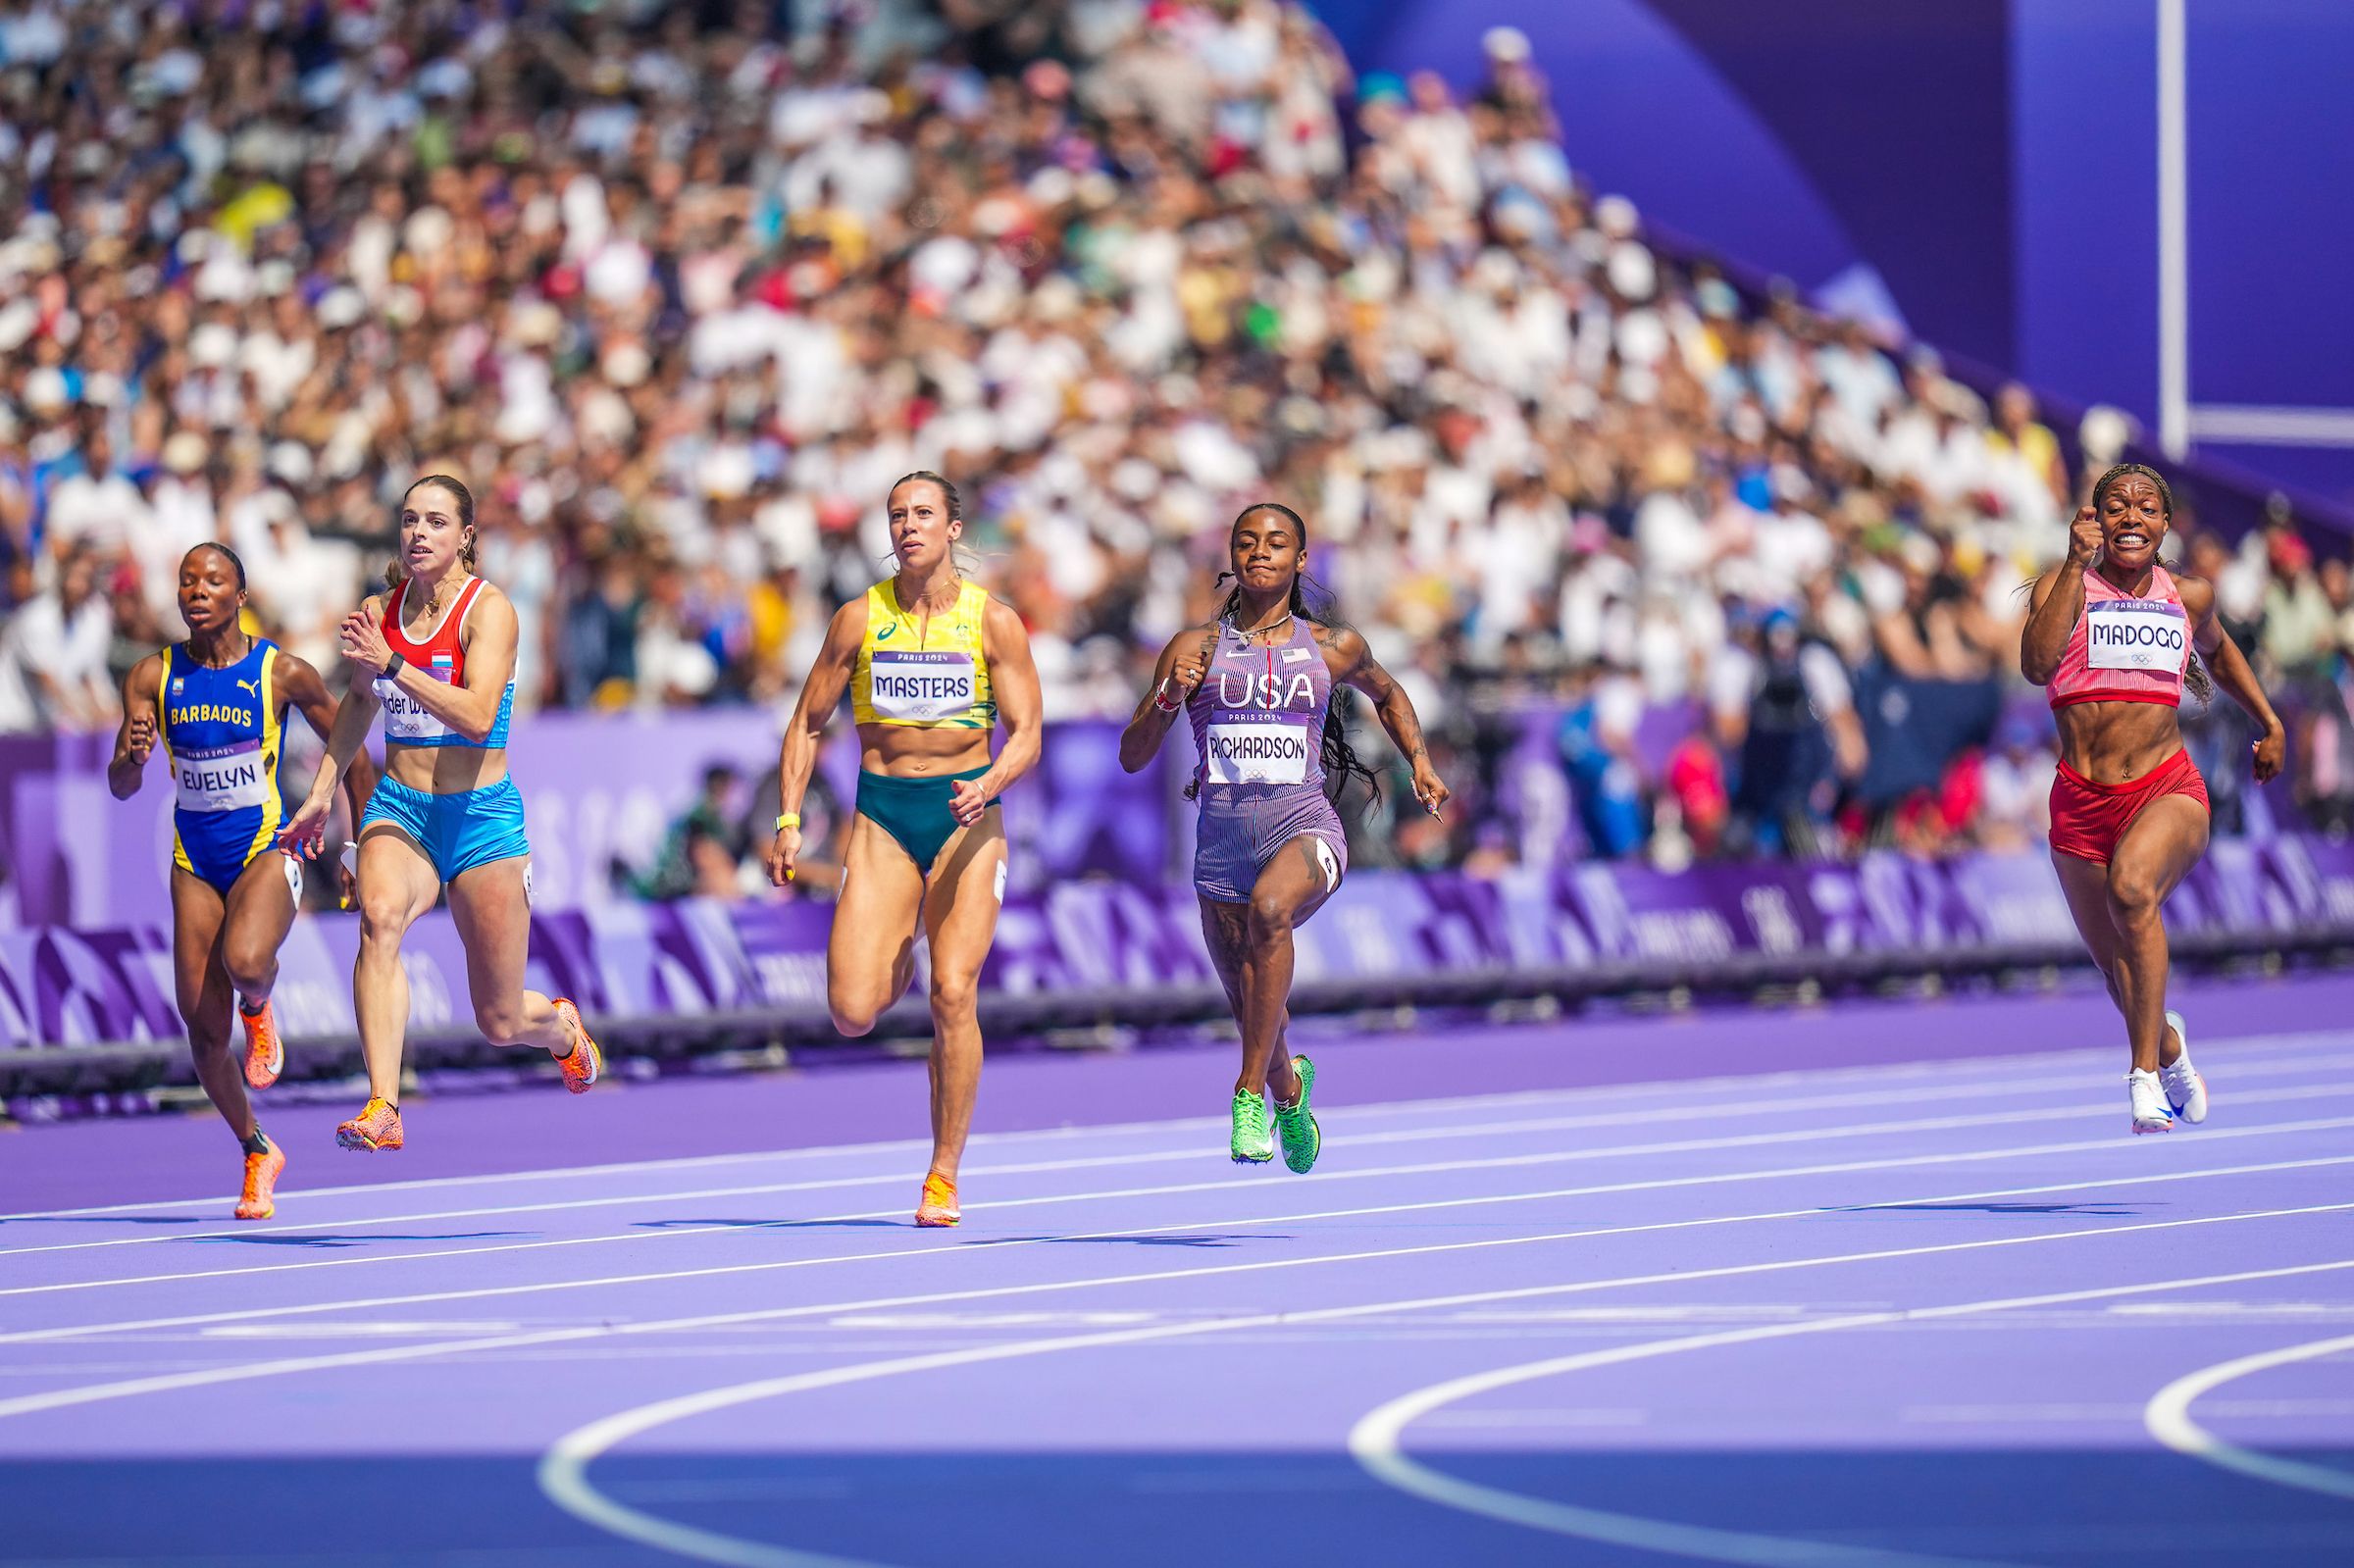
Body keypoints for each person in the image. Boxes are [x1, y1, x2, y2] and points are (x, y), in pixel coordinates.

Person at [1120, 502, 1449, 1168]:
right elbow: (1132, 755)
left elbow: (1386, 692)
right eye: (1247, 542)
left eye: (1276, 543)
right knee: (1253, 1007)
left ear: (1300, 561)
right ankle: (1289, 1092)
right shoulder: (1194, 650)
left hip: (1306, 826)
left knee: (1273, 911)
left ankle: (1246, 1095)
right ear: (1233, 558)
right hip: (1219, 848)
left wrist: (1420, 759)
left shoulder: (1331, 646)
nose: (1260, 551)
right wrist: (1164, 701)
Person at [280, 475, 601, 1152]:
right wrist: (322, 790)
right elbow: (360, 706)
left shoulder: (491, 612)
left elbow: (480, 715)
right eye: (409, 520)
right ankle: (384, 1104)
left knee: (500, 1018)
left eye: (435, 521)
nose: (419, 533)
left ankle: (563, 1029)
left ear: (466, 538)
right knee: (379, 917)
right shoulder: (381, 610)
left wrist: (393, 663)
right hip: (403, 807)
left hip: (481, 819)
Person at [762, 472, 1043, 1227]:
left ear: (954, 528)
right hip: (883, 813)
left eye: (924, 513)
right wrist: (789, 819)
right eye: (897, 515)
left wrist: (990, 782)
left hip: (965, 815)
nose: (908, 526)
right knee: (853, 1010)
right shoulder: (859, 619)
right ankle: (904, 946)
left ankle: (943, 1173)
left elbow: (1028, 732)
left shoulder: (995, 623)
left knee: (956, 993)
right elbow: (806, 721)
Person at [107, 543, 372, 1218]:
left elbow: (355, 752)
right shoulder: (151, 676)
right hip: (194, 862)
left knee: (248, 961)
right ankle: (257, 1149)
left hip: (267, 846)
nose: (197, 591)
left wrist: (364, 843)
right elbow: (121, 783)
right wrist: (134, 759)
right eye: (186, 581)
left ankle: (259, 1007)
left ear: (241, 594)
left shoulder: (280, 671)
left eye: (213, 580)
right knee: (200, 1033)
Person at [2021, 464, 2286, 1133]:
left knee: (2134, 889)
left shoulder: (2188, 594)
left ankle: (2141, 1076)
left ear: (2165, 525)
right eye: (2116, 506)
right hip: (2080, 802)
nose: (2130, 516)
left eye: (2146, 507)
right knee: (2119, 972)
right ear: (2096, 520)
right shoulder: (2066, 586)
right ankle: (2168, 1047)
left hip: (2166, 787)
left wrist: (2270, 722)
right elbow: (2035, 664)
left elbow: (2220, 654)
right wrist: (2075, 564)